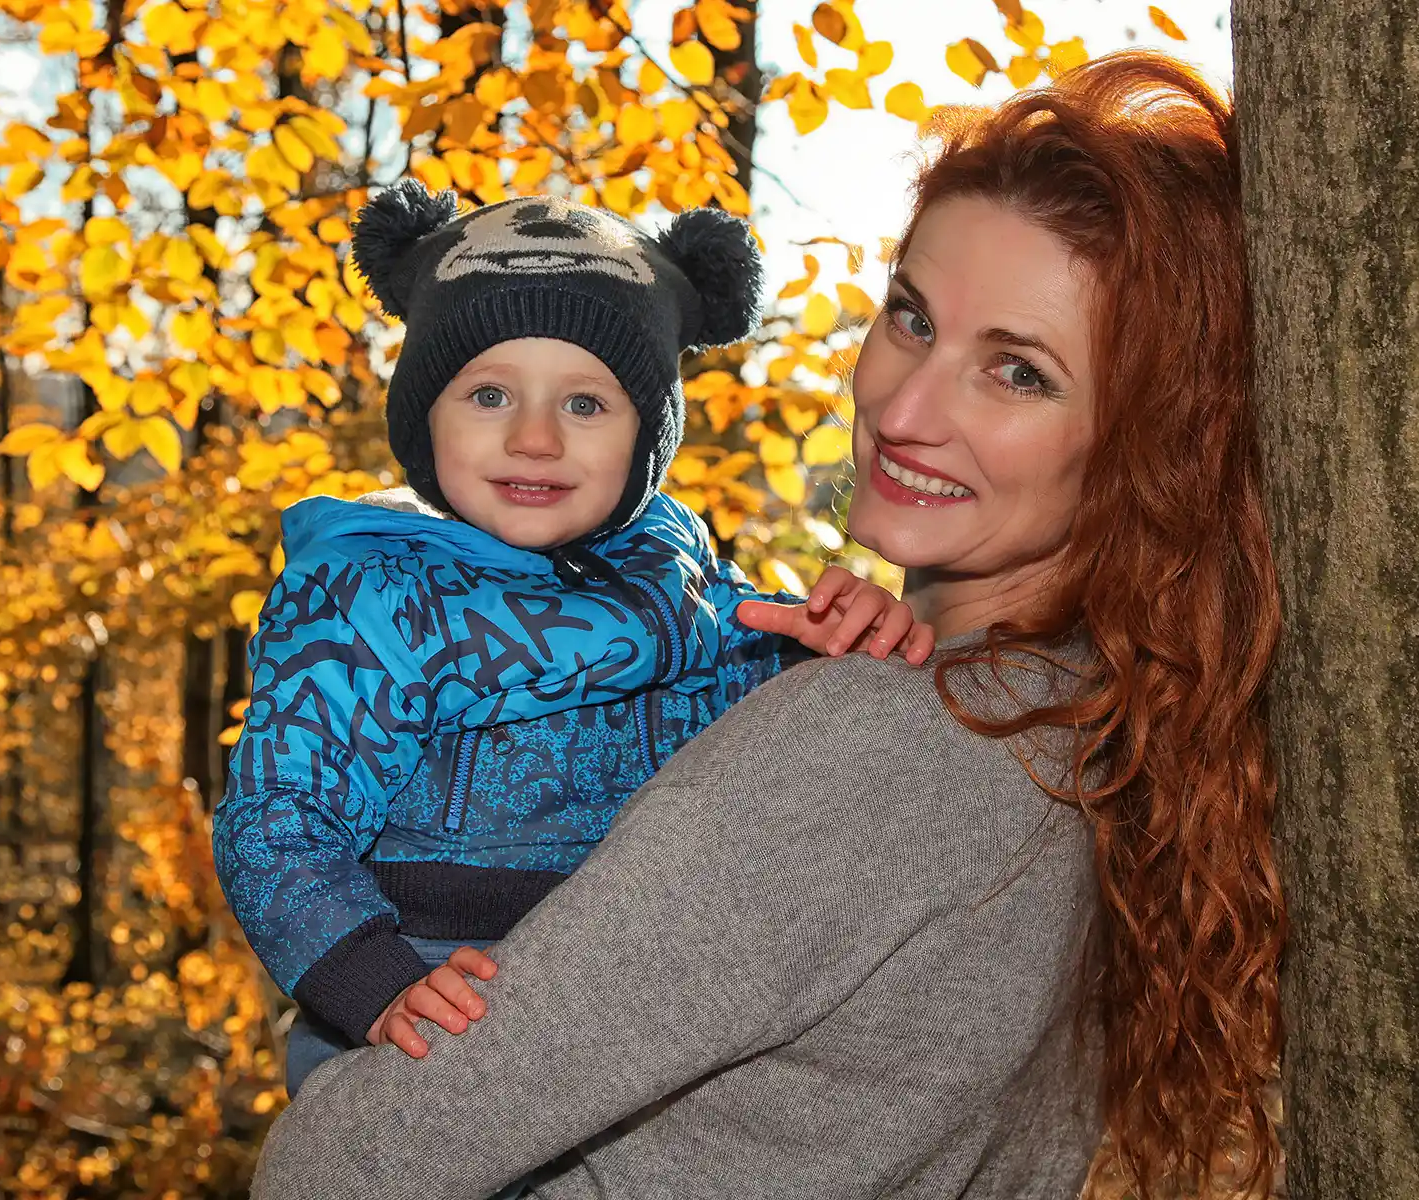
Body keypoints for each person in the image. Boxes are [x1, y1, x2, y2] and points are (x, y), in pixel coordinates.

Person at [249, 49, 1285, 1200]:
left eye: (1019, 374)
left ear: (1154, 439)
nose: (903, 407)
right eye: (911, 317)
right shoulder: (1095, 732)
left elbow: (335, 1172)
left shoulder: (882, 744)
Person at [215, 184, 933, 1099]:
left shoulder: (673, 567)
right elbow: (279, 816)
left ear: (648, 436)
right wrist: (371, 979)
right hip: (428, 991)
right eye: (489, 394)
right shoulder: (370, 592)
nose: (535, 438)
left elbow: (745, 686)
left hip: (628, 994)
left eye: (587, 404)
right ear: (423, 416)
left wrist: (833, 640)